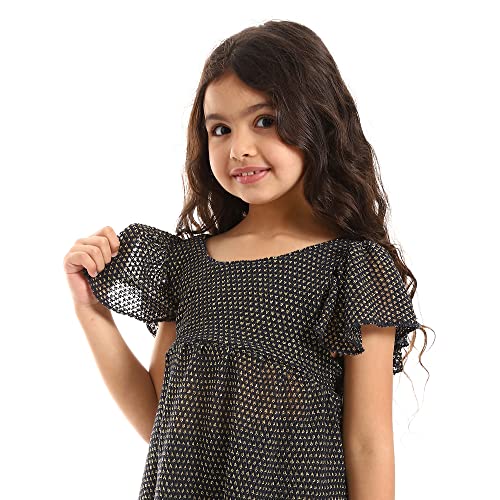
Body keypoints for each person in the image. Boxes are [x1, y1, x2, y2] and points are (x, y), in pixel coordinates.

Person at [63, 19, 431, 499]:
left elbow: (368, 443)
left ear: (316, 119)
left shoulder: (353, 269)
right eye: (220, 129)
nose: (238, 149)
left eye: (265, 121)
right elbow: (162, 423)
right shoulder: (187, 265)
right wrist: (91, 312)